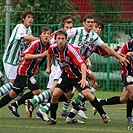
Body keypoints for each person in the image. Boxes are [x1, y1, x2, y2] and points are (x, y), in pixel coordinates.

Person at [44, 30, 110, 125]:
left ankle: (103, 114)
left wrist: (83, 79)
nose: (61, 41)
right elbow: (48, 54)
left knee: (87, 94)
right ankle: (53, 119)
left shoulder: (71, 50)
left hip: (78, 75)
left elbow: (82, 65)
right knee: (55, 95)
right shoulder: (53, 48)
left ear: (66, 40)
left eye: (63, 39)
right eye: (58, 39)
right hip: (66, 76)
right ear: (55, 40)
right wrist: (48, 66)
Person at [0, 27, 51, 115]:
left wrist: (46, 66)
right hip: (24, 71)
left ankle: (14, 105)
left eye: (48, 34)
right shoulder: (35, 44)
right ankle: (15, 104)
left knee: (13, 94)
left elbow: (49, 55)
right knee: (35, 92)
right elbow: (26, 56)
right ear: (40, 35)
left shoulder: (48, 46)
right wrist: (40, 55)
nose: (46, 35)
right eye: (44, 33)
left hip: (30, 72)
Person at [93, 40, 133, 124]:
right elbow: (119, 58)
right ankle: (129, 117)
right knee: (132, 94)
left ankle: (100, 102)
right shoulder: (128, 45)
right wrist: (126, 56)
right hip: (128, 73)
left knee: (123, 99)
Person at [0, 10, 38, 97]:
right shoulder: (19, 28)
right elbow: (26, 38)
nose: (31, 19)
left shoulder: (28, 30)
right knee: (14, 85)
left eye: (32, 18)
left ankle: (16, 102)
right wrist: (40, 39)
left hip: (18, 61)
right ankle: (17, 101)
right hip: (10, 60)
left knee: (20, 83)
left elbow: (31, 39)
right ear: (23, 18)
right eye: (28, 17)